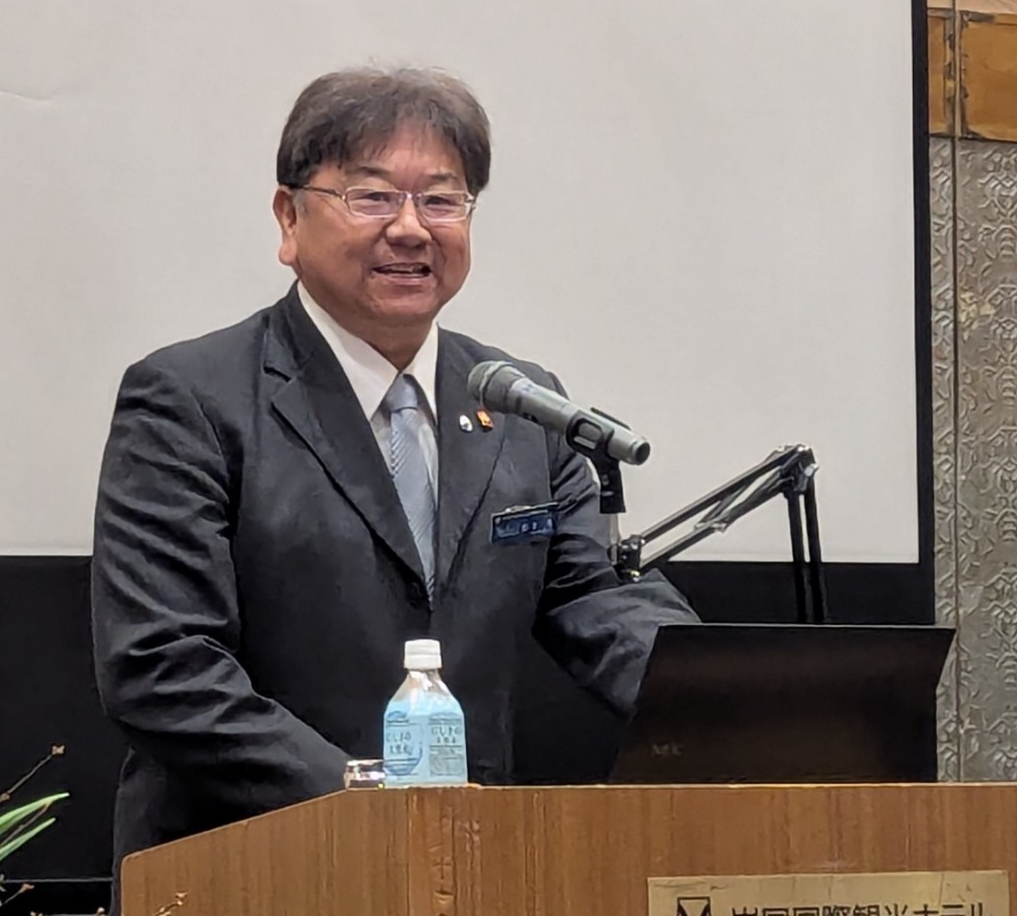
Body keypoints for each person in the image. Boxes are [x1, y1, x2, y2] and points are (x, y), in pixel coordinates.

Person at [90, 65, 697, 862]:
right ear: (288, 217)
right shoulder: (191, 399)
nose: (411, 228)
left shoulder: (520, 403)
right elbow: (162, 666)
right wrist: (362, 797)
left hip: (470, 867)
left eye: (441, 200)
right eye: (371, 196)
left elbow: (596, 599)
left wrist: (728, 701)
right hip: (248, 872)